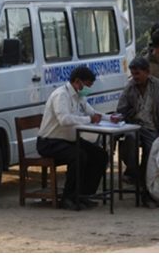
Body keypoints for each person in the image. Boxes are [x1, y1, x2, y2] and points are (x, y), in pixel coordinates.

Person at [36, 66, 109, 210]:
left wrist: (109, 118)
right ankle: (68, 197)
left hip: (69, 140)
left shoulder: (80, 96)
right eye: (87, 85)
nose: (88, 89)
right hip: (50, 142)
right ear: (77, 82)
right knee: (78, 156)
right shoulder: (61, 95)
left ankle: (84, 195)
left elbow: (92, 113)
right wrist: (88, 119)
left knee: (100, 155)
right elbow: (64, 120)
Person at [116, 57, 159, 208]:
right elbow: (121, 109)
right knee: (129, 143)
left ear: (147, 72)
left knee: (151, 151)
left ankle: (146, 189)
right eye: (133, 74)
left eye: (138, 74)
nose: (135, 77)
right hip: (133, 126)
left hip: (152, 128)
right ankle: (135, 175)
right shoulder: (130, 87)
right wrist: (121, 117)